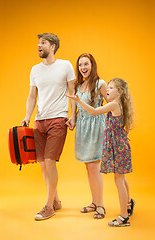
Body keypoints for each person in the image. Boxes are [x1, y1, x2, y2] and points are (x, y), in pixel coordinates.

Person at [21, 33, 76, 221]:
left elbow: (72, 92)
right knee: (43, 164)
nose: (39, 45)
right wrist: (27, 117)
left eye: (43, 43)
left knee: (50, 161)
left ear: (52, 46)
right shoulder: (35, 70)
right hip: (39, 121)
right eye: (38, 43)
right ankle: (56, 201)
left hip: (58, 119)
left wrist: (73, 116)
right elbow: (32, 96)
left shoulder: (65, 66)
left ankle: (48, 207)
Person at [66, 78, 135, 227]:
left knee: (118, 181)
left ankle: (124, 217)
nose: (107, 90)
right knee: (121, 179)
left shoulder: (113, 104)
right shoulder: (121, 105)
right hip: (121, 145)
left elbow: (93, 111)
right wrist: (123, 136)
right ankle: (128, 204)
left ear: (120, 92)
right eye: (108, 87)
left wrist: (78, 100)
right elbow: (125, 127)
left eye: (111, 88)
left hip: (117, 147)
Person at [72, 53, 108, 219]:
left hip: (95, 128)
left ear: (92, 65)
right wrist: (72, 119)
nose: (83, 68)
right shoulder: (80, 85)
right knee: (88, 167)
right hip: (82, 127)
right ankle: (94, 202)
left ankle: (100, 205)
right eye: (80, 65)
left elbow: (112, 104)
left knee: (94, 167)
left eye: (86, 64)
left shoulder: (100, 83)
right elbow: (79, 108)